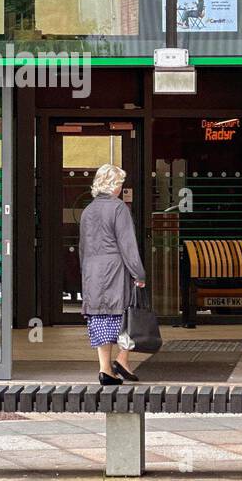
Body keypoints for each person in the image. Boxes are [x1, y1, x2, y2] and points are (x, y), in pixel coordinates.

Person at [79, 163, 147, 386]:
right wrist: (139, 273)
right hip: (115, 270)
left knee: (99, 318)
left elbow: (83, 247)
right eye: (119, 183)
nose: (121, 187)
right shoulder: (118, 208)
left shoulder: (88, 210)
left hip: (92, 271)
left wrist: (86, 272)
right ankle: (122, 358)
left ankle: (105, 369)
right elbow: (127, 245)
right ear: (113, 184)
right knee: (125, 317)